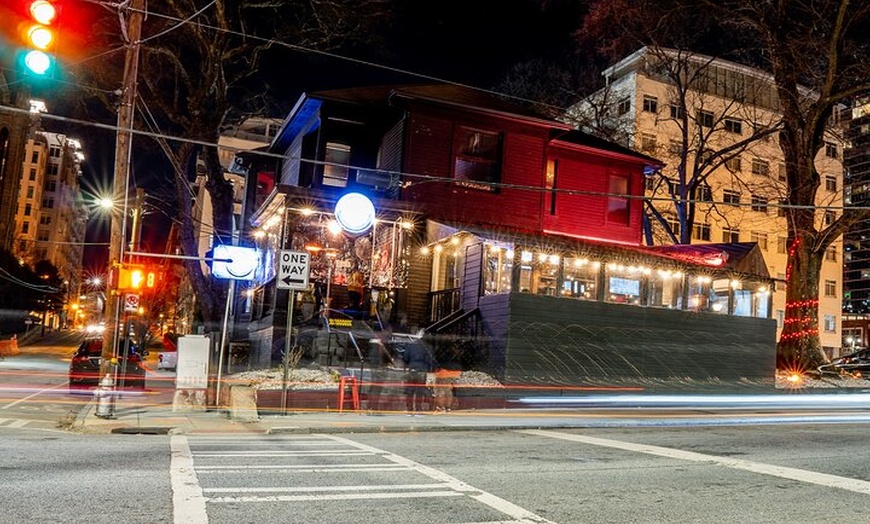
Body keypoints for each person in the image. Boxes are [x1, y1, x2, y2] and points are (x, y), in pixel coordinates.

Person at [401, 338, 435, 414]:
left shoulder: (410, 345)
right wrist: (429, 370)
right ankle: (418, 409)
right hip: (422, 369)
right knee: (420, 391)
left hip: (412, 368)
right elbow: (430, 360)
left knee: (410, 390)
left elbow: (405, 358)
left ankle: (409, 409)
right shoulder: (427, 346)